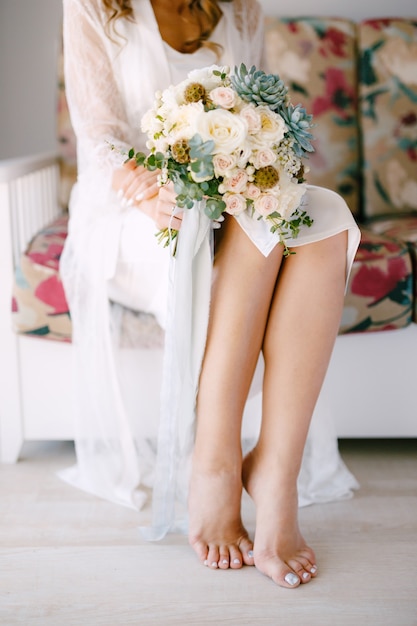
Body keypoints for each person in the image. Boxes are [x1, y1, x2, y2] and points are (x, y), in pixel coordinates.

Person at [60, 0, 361, 589]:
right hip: (128, 209)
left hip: (226, 202)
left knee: (325, 218)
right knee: (241, 226)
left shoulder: (242, 9)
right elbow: (98, 138)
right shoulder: (92, 6)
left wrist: (254, 162)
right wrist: (148, 193)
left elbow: (259, 107)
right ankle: (216, 463)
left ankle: (275, 471)